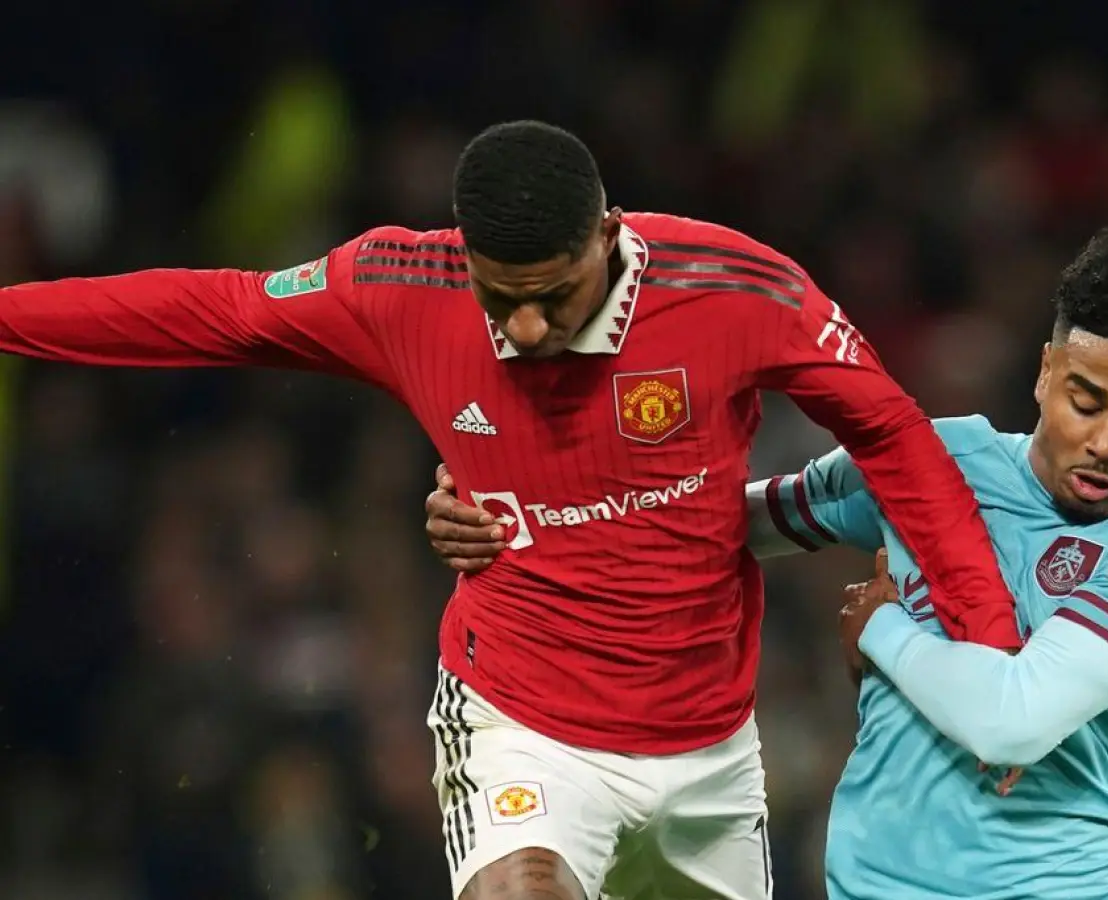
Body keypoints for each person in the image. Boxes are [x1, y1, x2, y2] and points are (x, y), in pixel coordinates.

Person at [0, 120, 1028, 900]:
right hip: (520, 723)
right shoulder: (402, 284)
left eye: (556, 293)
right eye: (502, 298)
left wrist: (989, 659)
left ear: (611, 235)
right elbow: (213, 310)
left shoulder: (736, 290)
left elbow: (897, 440)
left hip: (708, 745)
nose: (528, 326)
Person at [424, 227, 1108, 900]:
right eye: (1085, 401)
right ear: (1044, 373)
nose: (1104, 442)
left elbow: (1014, 719)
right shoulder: (937, 463)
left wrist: (881, 628)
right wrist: (514, 504)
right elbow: (713, 524)